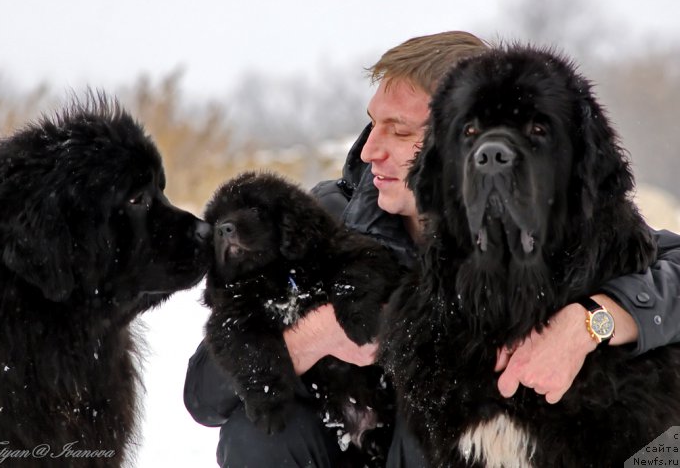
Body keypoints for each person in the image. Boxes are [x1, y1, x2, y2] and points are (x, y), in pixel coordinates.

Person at [184, 31, 680, 467]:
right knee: (260, 433)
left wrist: (596, 320)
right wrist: (316, 335)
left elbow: (665, 265)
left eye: (399, 131)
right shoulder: (322, 221)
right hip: (370, 452)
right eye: (373, 124)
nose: (368, 150)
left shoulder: (561, 225)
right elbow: (205, 394)